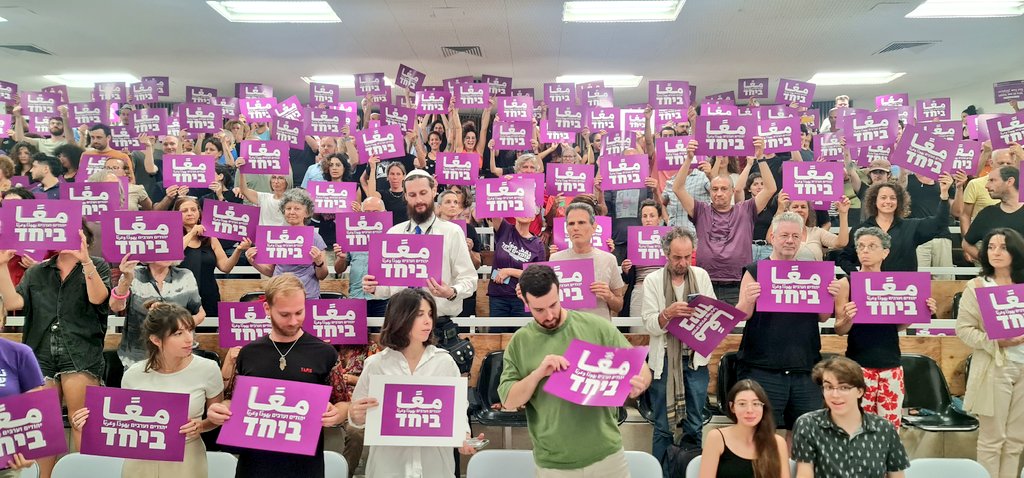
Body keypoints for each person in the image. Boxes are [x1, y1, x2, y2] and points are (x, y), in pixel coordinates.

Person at [499, 265, 651, 477]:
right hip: (553, 462)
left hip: (607, 455)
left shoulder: (596, 327)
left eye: (553, 304)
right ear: (525, 302)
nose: (549, 315)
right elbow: (508, 400)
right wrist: (538, 374)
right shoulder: (520, 342)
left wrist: (640, 382)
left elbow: (640, 366)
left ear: (560, 291)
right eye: (539, 310)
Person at [207, 273, 348, 478]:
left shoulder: (324, 353)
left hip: (304, 466)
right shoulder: (249, 353)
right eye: (284, 314)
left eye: (299, 312)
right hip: (254, 465)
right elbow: (233, 400)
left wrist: (337, 413)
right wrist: (219, 410)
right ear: (267, 309)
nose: (293, 321)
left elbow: (343, 402)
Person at [0, 229, 110, 473]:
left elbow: (98, 298)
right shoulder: (37, 271)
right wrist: (1, 266)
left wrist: (86, 260)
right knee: (44, 428)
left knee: (82, 422)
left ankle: (84, 474)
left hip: (82, 353)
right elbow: (14, 303)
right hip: (40, 354)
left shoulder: (97, 265)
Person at [71, 303, 224, 478]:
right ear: (156, 340)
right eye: (178, 333)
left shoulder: (208, 369)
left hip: (187, 456)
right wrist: (86, 424)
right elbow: (123, 424)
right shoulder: (133, 374)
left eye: (190, 330)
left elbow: (216, 418)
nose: (189, 339)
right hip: (140, 459)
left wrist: (201, 426)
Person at [347, 289, 482, 477]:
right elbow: (358, 416)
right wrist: (356, 415)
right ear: (400, 317)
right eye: (420, 315)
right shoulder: (376, 364)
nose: (428, 321)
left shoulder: (444, 362)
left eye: (430, 314)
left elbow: (458, 412)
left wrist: (464, 438)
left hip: (435, 467)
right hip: (388, 467)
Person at [735, 212, 841, 443]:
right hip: (762, 368)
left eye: (795, 235)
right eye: (784, 235)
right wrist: (747, 300)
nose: (790, 240)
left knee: (803, 437)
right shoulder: (755, 270)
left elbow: (823, 317)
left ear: (802, 238)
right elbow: (743, 314)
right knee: (762, 437)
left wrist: (830, 296)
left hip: (805, 368)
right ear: (772, 236)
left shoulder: (814, 273)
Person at [834, 227, 937, 429]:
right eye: (861, 246)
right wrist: (848, 318)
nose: (865, 251)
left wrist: (918, 311)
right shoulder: (846, 283)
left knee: (890, 431)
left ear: (885, 252)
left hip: (891, 365)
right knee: (857, 429)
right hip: (859, 365)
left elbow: (897, 326)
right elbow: (839, 329)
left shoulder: (896, 283)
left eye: (872, 246)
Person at [362, 170, 477, 343]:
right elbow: (387, 289)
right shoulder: (394, 233)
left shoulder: (452, 232)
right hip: (400, 324)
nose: (419, 200)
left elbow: (470, 279)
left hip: (438, 326)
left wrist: (451, 292)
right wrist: (374, 288)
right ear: (406, 197)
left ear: (433, 191)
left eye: (423, 193)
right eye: (412, 195)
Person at [641, 227, 714, 470]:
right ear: (665, 254)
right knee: (663, 427)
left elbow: (713, 315)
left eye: (687, 257)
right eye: (676, 257)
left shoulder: (701, 276)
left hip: (695, 361)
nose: (682, 263)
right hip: (663, 362)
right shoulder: (652, 280)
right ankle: (660, 473)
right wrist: (667, 315)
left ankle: (692, 472)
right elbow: (650, 324)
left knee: (695, 424)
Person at [673, 137, 776, 306]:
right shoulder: (701, 210)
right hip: (705, 284)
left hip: (738, 285)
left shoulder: (746, 209)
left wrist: (761, 157)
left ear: (732, 191)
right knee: (705, 332)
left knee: (735, 332)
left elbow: (770, 188)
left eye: (723, 189)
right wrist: (689, 158)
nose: (719, 193)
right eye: (714, 189)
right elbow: (677, 188)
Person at [956, 228, 1024, 478]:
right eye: (991, 246)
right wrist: (995, 342)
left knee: (1017, 440)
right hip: (995, 367)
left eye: (1003, 247)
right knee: (992, 439)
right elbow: (963, 330)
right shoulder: (976, 287)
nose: (995, 252)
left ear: (1015, 251)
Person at [791, 357, 910, 478]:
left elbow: (897, 475)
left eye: (844, 388)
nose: (835, 395)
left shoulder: (885, 428)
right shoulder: (808, 424)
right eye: (829, 387)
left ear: (860, 391)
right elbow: (804, 473)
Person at [837, 176, 952, 274]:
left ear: (899, 202)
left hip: (903, 291)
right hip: (870, 290)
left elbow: (940, 223)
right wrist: (856, 275)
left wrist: (944, 195)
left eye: (893, 198)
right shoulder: (861, 229)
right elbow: (844, 258)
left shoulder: (911, 227)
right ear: (874, 201)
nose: (888, 201)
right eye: (883, 197)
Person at [109, 255, 205, 368]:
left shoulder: (185, 275)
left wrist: (174, 325)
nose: (167, 253)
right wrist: (126, 279)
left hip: (179, 356)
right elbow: (116, 307)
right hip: (138, 357)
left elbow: (200, 313)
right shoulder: (133, 274)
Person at [246, 188, 329, 298]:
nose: (291, 212)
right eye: (288, 208)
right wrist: (253, 261)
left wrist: (319, 263)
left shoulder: (315, 238)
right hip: (279, 295)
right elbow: (270, 271)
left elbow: (322, 276)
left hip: (307, 297)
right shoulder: (275, 235)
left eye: (297, 208)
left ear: (307, 213)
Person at [549, 202, 626, 320]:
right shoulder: (555, 259)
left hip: (598, 331)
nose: (575, 228)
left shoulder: (608, 259)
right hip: (565, 332)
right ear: (567, 228)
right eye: (571, 223)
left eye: (581, 222)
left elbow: (619, 305)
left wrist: (609, 296)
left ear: (594, 227)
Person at [698, 380, 789, 478]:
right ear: (732, 407)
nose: (749, 410)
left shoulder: (778, 443)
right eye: (742, 404)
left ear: (763, 407)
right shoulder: (716, 438)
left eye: (756, 404)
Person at [0, 293, 48, 477]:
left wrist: (28, 450)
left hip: (6, 466)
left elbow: (36, 412)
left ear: (2, 318)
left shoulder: (20, 354)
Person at [178, 196, 251, 316]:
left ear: (199, 213)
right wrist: (192, 233)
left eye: (193, 210)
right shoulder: (172, 236)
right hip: (180, 295)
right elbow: (174, 254)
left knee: (208, 332)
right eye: (184, 211)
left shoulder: (211, 237)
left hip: (208, 294)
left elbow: (225, 267)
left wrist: (238, 250)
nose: (190, 213)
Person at [484, 197, 546, 324]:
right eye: (521, 208)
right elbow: (494, 207)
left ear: (534, 217)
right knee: (496, 339)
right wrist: (505, 187)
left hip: (523, 298)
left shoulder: (538, 245)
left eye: (528, 210)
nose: (524, 213)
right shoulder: (504, 229)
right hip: (498, 298)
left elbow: (539, 275)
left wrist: (510, 271)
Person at [333, 196, 390, 317]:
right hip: (356, 297)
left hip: (383, 298)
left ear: (384, 213)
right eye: (367, 212)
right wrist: (341, 258)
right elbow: (338, 269)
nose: (371, 216)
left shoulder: (393, 235)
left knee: (381, 335)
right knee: (357, 336)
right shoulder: (351, 235)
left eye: (375, 212)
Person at [963, 166, 1023, 259]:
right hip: (998, 273)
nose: (986, 186)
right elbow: (966, 244)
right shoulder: (987, 214)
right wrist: (988, 262)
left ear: (1009, 181)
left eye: (992, 180)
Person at [772, 192, 850, 262]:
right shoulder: (781, 233)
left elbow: (841, 242)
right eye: (795, 207)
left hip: (815, 276)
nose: (800, 210)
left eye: (803, 207)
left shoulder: (817, 232)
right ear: (787, 210)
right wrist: (780, 208)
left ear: (808, 211)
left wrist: (843, 213)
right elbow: (770, 238)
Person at [622, 199, 666, 318]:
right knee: (636, 330)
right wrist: (626, 270)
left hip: (662, 289)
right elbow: (627, 278)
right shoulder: (633, 240)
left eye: (652, 216)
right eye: (644, 216)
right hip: (640, 289)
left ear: (659, 218)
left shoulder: (668, 240)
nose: (648, 219)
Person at [235, 157, 291, 226]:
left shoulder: (291, 201)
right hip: (263, 235)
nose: (276, 181)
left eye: (280, 178)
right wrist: (242, 170)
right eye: (273, 178)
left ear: (287, 181)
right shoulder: (263, 197)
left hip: (282, 235)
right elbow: (244, 190)